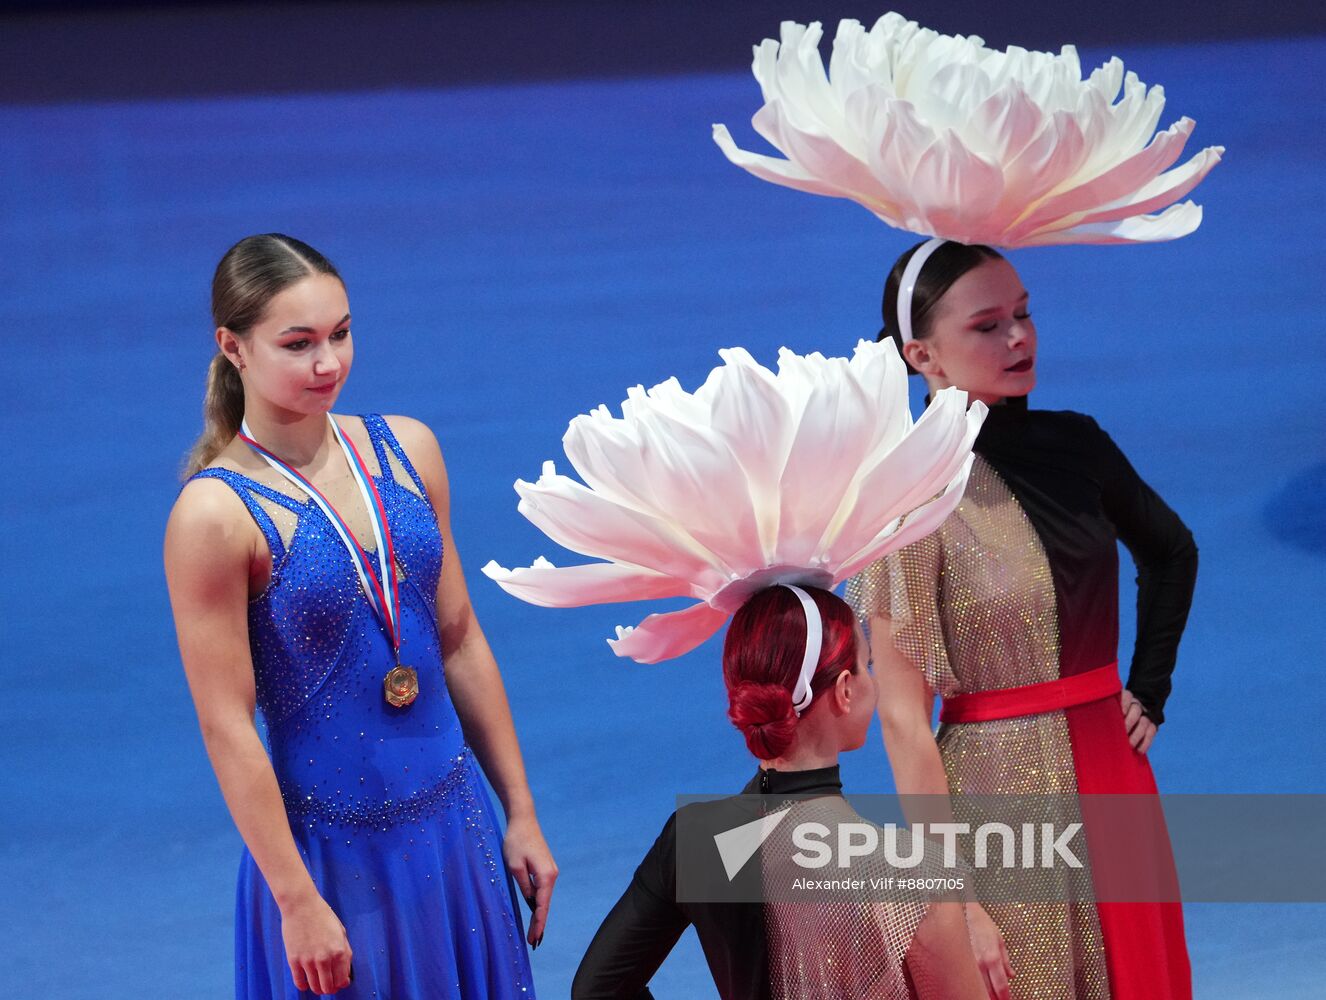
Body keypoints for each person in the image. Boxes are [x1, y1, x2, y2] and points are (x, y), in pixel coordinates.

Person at [163, 233, 554, 998]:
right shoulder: (213, 516)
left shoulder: (409, 450)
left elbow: (460, 638)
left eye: (341, 334)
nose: (328, 363)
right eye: (298, 343)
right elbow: (226, 724)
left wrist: (522, 811)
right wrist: (294, 899)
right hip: (329, 861)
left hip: (455, 828)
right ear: (232, 347)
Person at [848, 239, 1197, 1000]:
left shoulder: (1079, 444)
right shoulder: (907, 491)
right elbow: (904, 723)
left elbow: (1173, 552)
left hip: (1113, 769)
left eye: (1025, 314)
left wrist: (1149, 688)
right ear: (923, 354)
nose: (1019, 338)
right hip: (998, 806)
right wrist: (959, 898)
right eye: (987, 326)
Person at [572, 584, 987, 1000]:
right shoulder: (914, 875)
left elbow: (595, 992)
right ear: (844, 690)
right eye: (867, 665)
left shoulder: (694, 839)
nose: (873, 683)